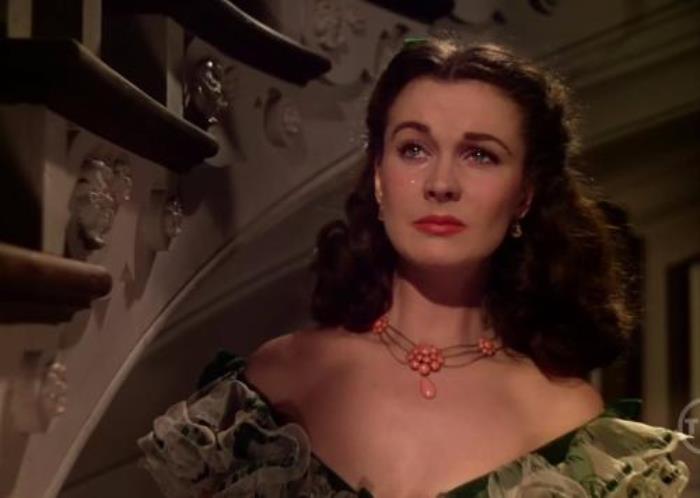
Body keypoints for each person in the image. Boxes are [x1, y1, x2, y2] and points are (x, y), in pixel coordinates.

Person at [138, 38, 691, 498]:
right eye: (414, 149)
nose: (441, 184)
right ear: (379, 178)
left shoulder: (565, 421)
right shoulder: (275, 385)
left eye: (480, 155)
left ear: (524, 195)